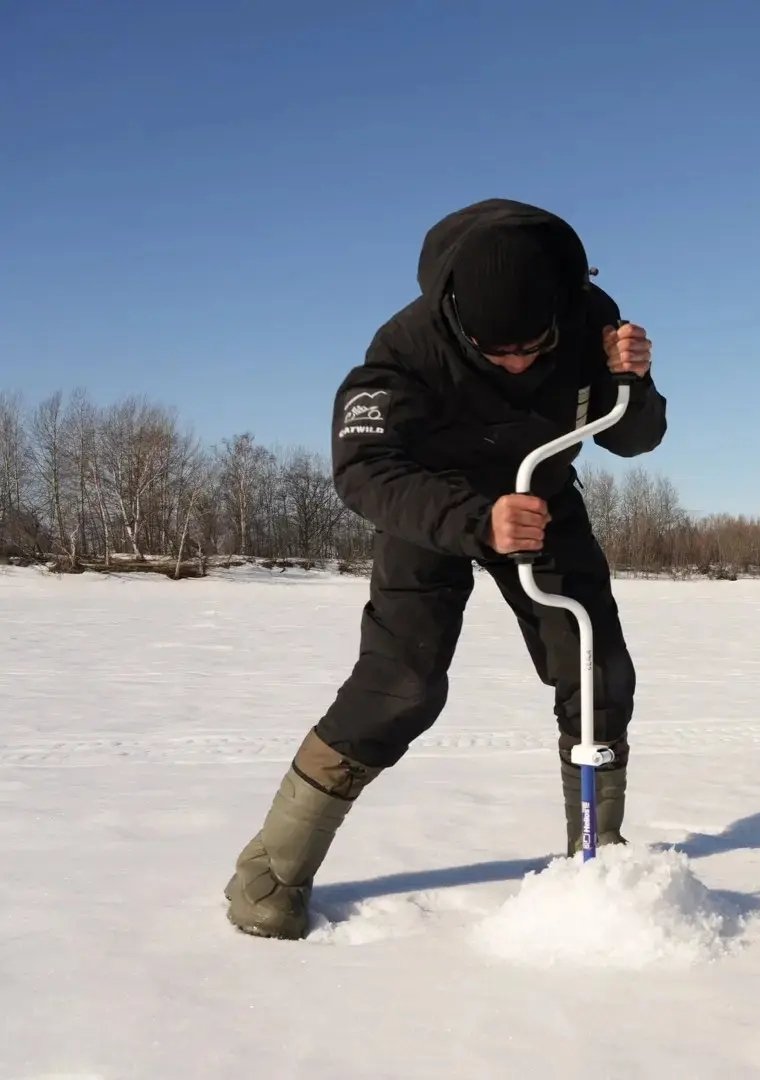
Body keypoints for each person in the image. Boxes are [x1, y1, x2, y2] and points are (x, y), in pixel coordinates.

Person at [223, 198, 667, 940]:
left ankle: (599, 870)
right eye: (500, 355)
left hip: (545, 503)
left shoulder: (593, 315)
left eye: (535, 346)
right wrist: (474, 520)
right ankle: (269, 874)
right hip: (435, 511)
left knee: (598, 679)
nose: (521, 364)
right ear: (458, 321)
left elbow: (633, 439)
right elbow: (362, 469)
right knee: (400, 690)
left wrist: (635, 382)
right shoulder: (404, 349)